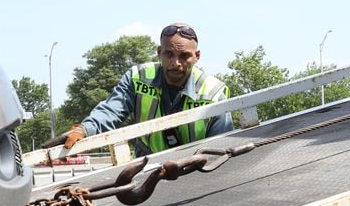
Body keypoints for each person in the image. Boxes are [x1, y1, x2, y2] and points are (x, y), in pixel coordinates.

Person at [61, 22, 233, 156]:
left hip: (197, 169)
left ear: (197, 56)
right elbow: (111, 110)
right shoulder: (137, 77)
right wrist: (85, 129)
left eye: (184, 56)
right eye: (169, 54)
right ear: (159, 52)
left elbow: (220, 147)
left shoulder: (214, 92)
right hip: (147, 168)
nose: (176, 63)